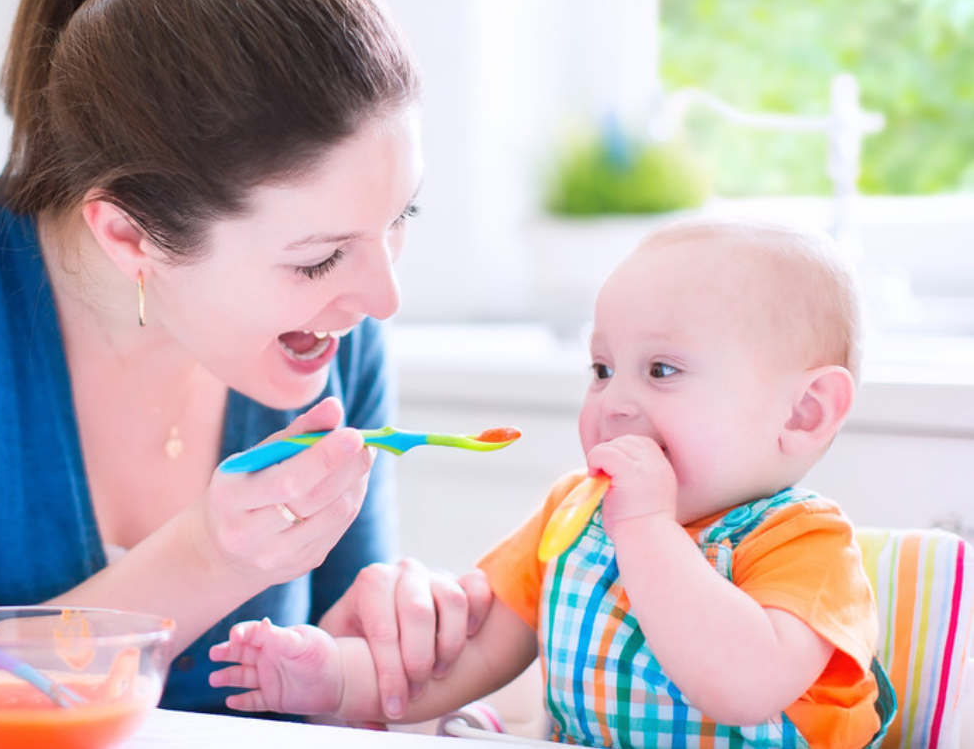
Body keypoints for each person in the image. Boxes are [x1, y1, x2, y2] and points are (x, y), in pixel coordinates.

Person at [0, 0, 488, 717]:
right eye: (318, 258)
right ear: (127, 234)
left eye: (401, 220)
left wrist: (380, 660)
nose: (382, 298)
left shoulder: (327, 333)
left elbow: (328, 694)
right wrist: (207, 555)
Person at [210, 218, 898, 748]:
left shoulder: (807, 547)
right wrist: (334, 676)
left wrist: (645, 528)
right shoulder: (573, 516)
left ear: (804, 412)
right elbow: (470, 658)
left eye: (661, 370)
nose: (614, 403)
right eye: (602, 369)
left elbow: (744, 687)